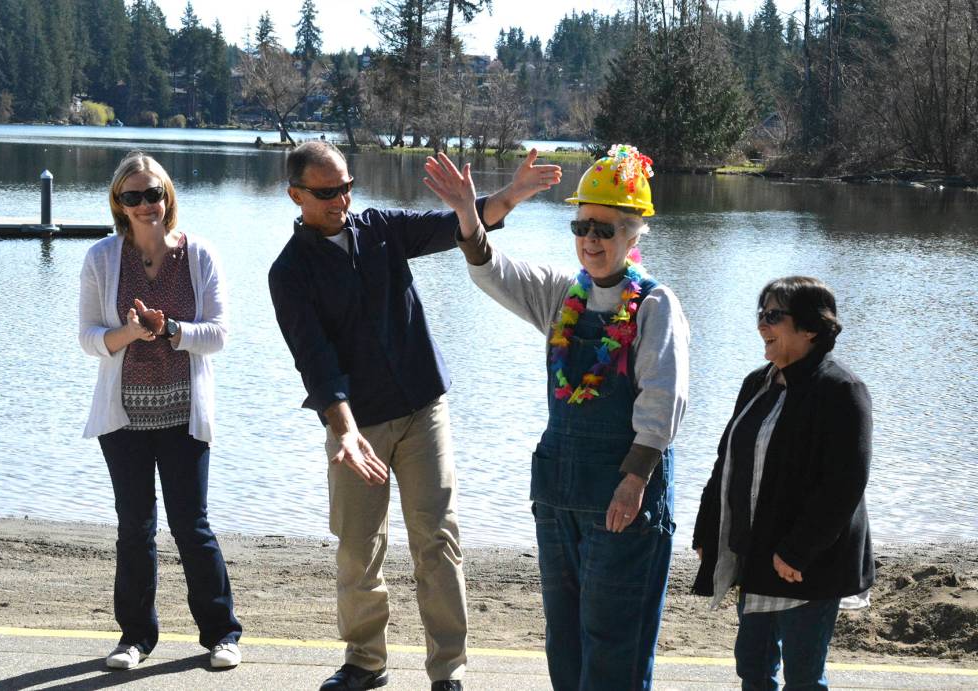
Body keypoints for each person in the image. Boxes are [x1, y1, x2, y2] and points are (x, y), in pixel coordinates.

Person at [268, 141, 561, 691]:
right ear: (296, 195)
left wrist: (513, 195)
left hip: (424, 407)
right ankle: (365, 661)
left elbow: (458, 226)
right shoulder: (289, 273)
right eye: (328, 192)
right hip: (358, 427)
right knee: (358, 546)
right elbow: (316, 363)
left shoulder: (379, 227)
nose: (342, 199)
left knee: (438, 538)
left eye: (347, 186)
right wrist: (346, 434)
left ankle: (448, 669)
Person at [423, 145, 689, 690]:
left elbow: (663, 398)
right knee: (564, 638)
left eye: (606, 229)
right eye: (582, 225)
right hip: (559, 493)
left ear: (635, 233)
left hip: (621, 496)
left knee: (614, 640)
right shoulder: (560, 295)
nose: (590, 239)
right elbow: (492, 271)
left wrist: (635, 478)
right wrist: (469, 217)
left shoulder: (655, 306)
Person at [78, 151, 242, 671]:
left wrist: (170, 329)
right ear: (119, 204)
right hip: (124, 420)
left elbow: (217, 336)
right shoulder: (102, 259)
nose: (146, 204)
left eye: (154, 194)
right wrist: (129, 332)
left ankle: (221, 634)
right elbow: (87, 338)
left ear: (167, 196)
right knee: (135, 527)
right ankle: (135, 638)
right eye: (133, 197)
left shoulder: (200, 255)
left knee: (191, 525)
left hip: (183, 416)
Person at [691, 276, 874, 690]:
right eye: (760, 315)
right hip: (756, 554)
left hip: (807, 565)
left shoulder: (842, 390)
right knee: (753, 670)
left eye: (773, 316)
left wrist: (797, 551)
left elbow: (845, 483)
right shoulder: (758, 383)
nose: (761, 326)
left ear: (811, 327)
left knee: (804, 679)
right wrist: (708, 530)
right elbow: (727, 462)